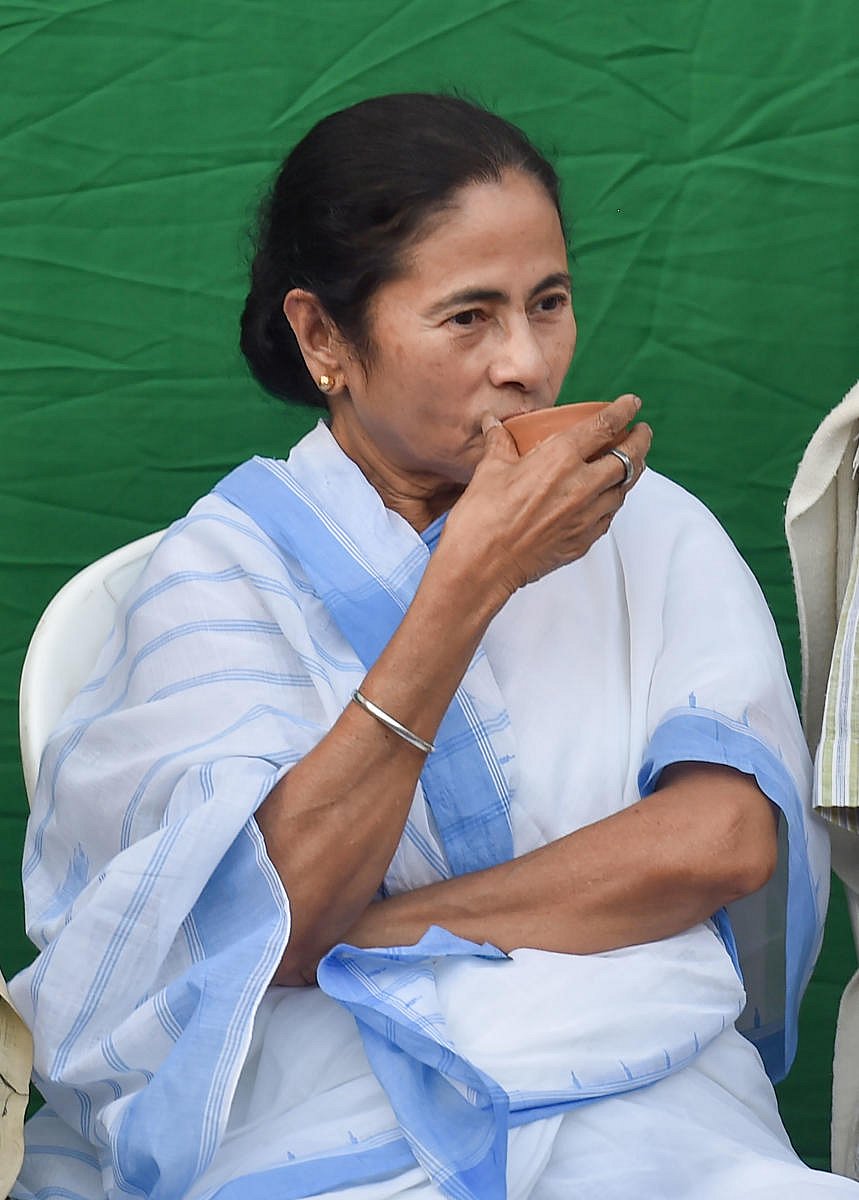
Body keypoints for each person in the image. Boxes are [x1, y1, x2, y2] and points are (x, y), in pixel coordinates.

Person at [9, 93, 857, 1200]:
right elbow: (283, 911)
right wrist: (468, 586)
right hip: (313, 1116)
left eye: (547, 303)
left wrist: (377, 932)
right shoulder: (216, 578)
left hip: (649, 1103)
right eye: (468, 318)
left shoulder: (647, 526)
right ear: (324, 337)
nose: (525, 362)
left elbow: (723, 840)